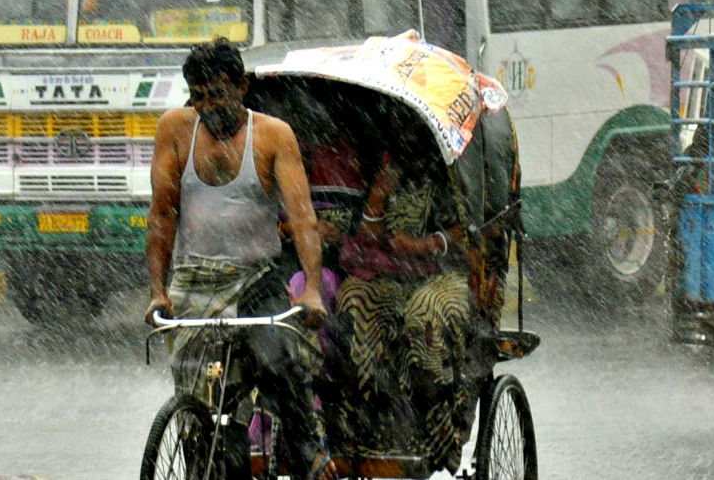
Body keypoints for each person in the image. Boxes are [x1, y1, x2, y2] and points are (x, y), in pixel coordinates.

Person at [143, 38, 335, 480]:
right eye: (199, 97)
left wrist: (309, 288)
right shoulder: (174, 130)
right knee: (204, 416)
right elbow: (161, 217)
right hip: (194, 281)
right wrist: (157, 292)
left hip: (255, 279)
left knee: (278, 363)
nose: (209, 108)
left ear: (242, 86)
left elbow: (304, 221)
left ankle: (307, 447)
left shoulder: (273, 136)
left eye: (219, 95)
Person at [331, 123, 474, 473]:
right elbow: (367, 239)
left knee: (422, 312)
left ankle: (437, 421)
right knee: (352, 299)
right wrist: (379, 195)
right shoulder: (384, 168)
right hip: (390, 276)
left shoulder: (450, 170)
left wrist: (425, 245)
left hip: (445, 275)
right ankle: (366, 424)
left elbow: (470, 229)